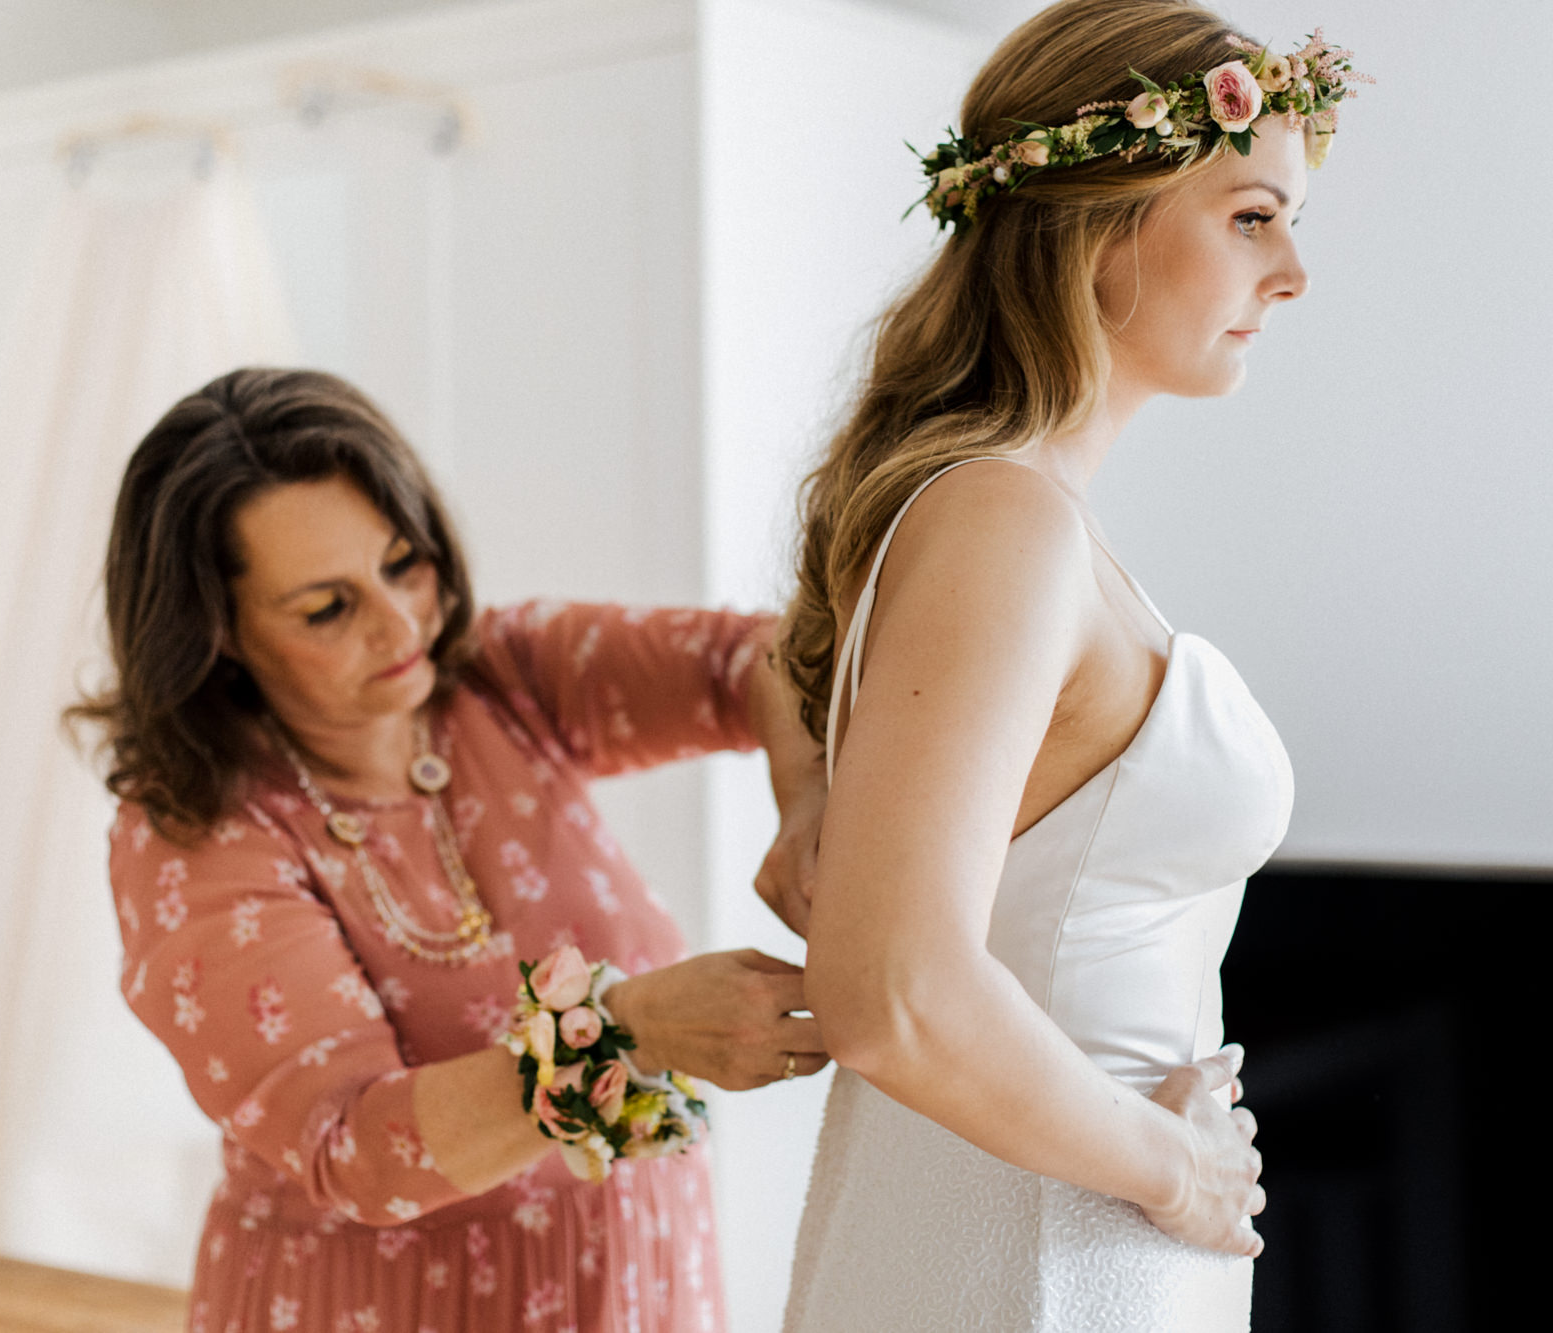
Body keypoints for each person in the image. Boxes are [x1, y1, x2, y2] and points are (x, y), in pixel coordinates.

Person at [774, 2, 1366, 1328]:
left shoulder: (1011, 518)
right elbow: (892, 993)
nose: (1294, 275)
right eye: (1252, 216)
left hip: (1060, 1235)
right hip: (1038, 1255)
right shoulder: (1003, 519)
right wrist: (1185, 1172)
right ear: (1101, 222)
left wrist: (808, 787)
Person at [69, 367, 828, 1333]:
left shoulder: (497, 677)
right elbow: (356, 1148)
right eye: (326, 608)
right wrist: (629, 1033)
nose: (401, 622)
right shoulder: (195, 838)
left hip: (630, 1278)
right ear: (217, 634)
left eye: (403, 560)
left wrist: (803, 800)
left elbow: (768, 658)